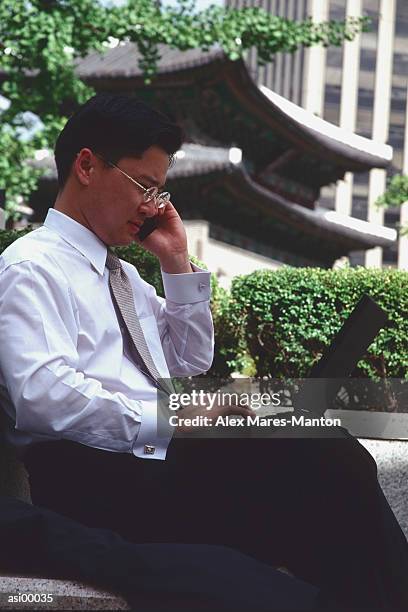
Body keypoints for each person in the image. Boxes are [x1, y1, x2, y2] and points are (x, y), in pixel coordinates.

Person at [0, 94, 407, 611]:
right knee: (324, 462)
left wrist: (174, 259)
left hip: (157, 465)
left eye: (160, 191)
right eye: (143, 187)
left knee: (325, 462)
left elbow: (188, 359)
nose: (153, 206)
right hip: (97, 479)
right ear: (86, 165)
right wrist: (178, 417)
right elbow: (44, 395)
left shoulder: (121, 275)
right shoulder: (31, 265)